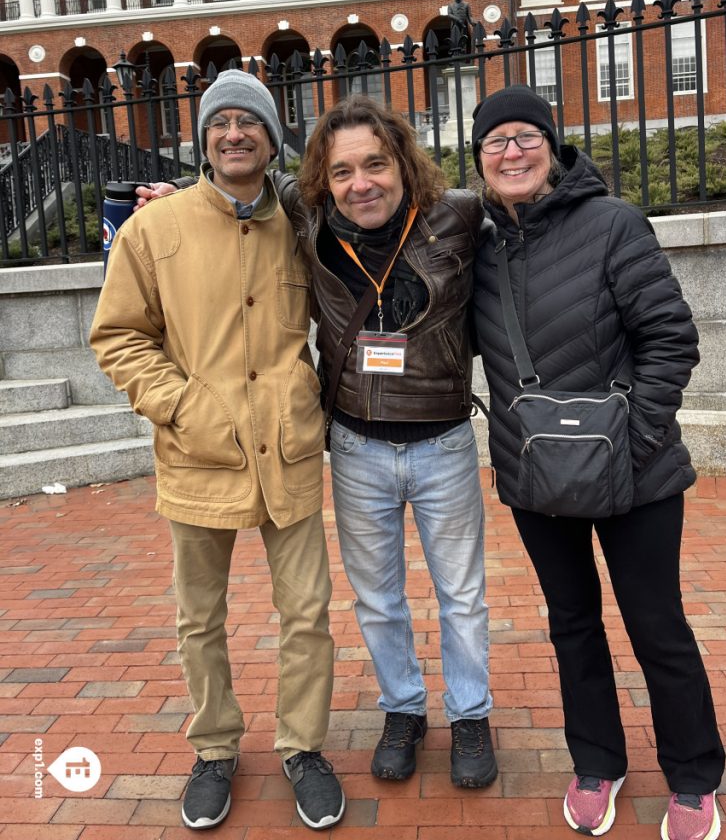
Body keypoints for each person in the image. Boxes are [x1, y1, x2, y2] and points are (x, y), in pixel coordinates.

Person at [148, 91, 497, 789]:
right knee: (377, 597)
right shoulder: (307, 219)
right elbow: (245, 180)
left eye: (375, 164)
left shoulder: (457, 216)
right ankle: (403, 709)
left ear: (403, 162)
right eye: (342, 171)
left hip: (444, 441)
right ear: (322, 180)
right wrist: (183, 194)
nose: (360, 183)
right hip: (357, 445)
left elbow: (531, 212)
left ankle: (470, 715)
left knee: (462, 595)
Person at [90, 69, 345, 833]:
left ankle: (303, 745)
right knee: (199, 618)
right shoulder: (154, 230)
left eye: (250, 122)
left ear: (271, 139)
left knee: (307, 613)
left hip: (287, 450)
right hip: (197, 454)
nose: (235, 134)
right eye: (221, 122)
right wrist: (183, 409)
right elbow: (118, 336)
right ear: (203, 140)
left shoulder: (302, 224)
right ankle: (214, 748)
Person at [470, 85, 725, 840]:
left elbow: (670, 339)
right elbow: (374, 221)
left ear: (552, 146)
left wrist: (636, 442)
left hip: (636, 473)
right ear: (478, 159)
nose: (512, 152)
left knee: (656, 624)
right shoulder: (476, 243)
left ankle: (694, 776)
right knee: (572, 624)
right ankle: (597, 761)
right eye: (496, 141)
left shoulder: (613, 224)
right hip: (534, 475)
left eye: (526, 136)